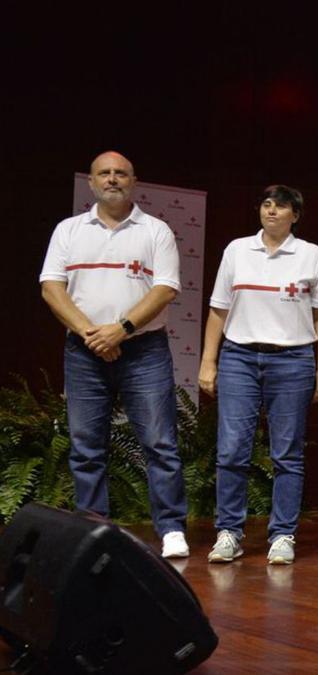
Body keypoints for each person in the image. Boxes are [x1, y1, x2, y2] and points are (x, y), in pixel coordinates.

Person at [39, 151, 189, 558]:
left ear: (133, 181)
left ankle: (172, 528)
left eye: (120, 173)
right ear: (91, 183)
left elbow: (165, 289)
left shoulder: (156, 230)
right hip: (84, 350)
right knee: (86, 443)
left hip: (144, 350)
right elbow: (52, 288)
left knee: (159, 442)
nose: (112, 179)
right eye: (104, 173)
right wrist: (92, 334)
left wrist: (119, 330)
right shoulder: (69, 230)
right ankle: (93, 528)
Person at [198, 186, 318, 565]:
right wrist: (209, 361)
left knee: (287, 453)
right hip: (239, 356)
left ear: (296, 215)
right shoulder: (237, 250)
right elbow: (218, 310)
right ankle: (229, 532)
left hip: (292, 360)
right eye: (266, 204)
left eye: (282, 206)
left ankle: (283, 535)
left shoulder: (311, 255)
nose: (272, 211)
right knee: (231, 450)